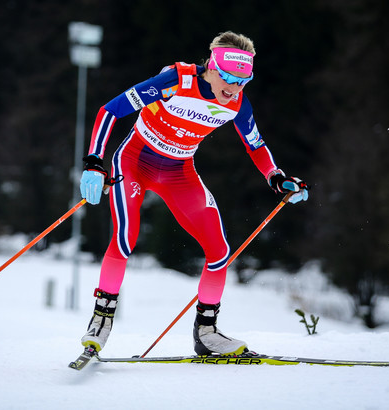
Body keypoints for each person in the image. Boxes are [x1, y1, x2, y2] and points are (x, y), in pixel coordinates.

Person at [78, 31, 308, 356]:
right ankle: (101, 319)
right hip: (134, 161)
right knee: (125, 238)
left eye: (243, 81)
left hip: (179, 172)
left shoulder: (239, 104)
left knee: (219, 251)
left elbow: (255, 144)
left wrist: (276, 177)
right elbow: (110, 110)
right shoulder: (176, 81)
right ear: (211, 67)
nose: (233, 88)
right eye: (228, 78)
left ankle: (207, 332)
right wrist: (93, 162)